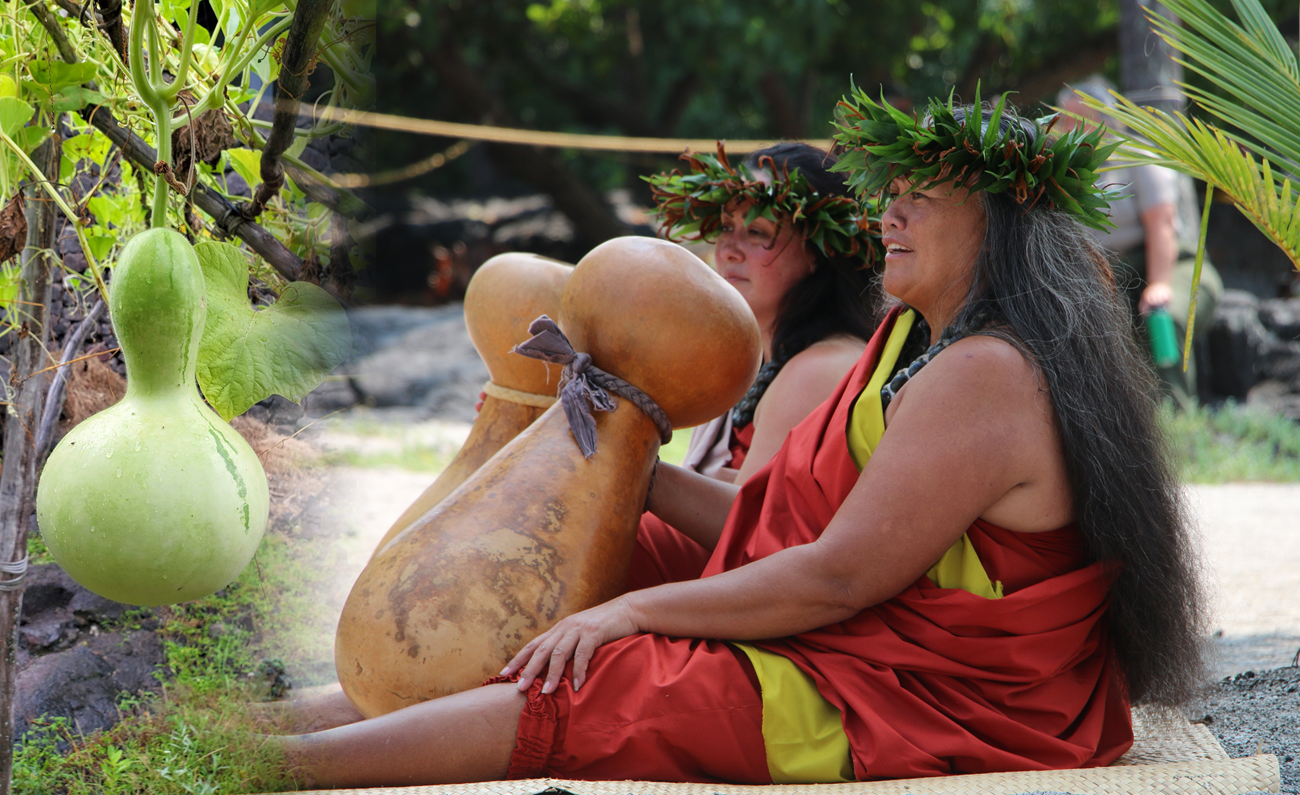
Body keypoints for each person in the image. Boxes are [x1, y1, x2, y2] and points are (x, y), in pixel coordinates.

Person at [277, 96, 1205, 788]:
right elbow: (789, 528)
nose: (891, 213)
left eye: (921, 197)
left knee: (614, 669)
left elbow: (833, 573)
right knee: (552, 577)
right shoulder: (908, 345)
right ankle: (285, 731)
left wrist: (634, 612)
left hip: (926, 697)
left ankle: (275, 769)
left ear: (1000, 224)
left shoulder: (988, 372)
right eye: (892, 195)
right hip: (873, 646)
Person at [628, 141, 880, 591]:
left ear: (819, 252)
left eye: (759, 232)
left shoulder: (820, 365)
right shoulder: (762, 356)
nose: (729, 249)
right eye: (726, 226)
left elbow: (756, 529)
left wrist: (629, 468)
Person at [1057, 77, 1223, 411]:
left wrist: (1159, 285)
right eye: (1064, 120)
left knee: (1162, 313)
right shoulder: (1061, 172)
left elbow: (1161, 225)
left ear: (1105, 121)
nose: (1071, 129)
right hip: (1108, 278)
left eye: (1081, 120)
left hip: (1171, 265)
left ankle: (1177, 418)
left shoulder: (1136, 159)